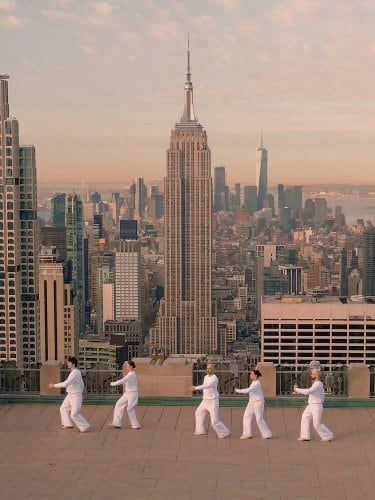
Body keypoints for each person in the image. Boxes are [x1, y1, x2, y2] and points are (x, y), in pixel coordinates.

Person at [48, 356, 90, 433]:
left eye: (69, 363)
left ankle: (84, 426)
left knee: (74, 414)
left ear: (73, 364)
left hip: (76, 395)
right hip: (70, 394)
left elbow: (65, 384)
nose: (67, 364)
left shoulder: (76, 373)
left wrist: (54, 385)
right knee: (63, 408)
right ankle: (67, 424)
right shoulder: (73, 372)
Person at [189, 363, 230, 439]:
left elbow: (206, 385)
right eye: (207, 368)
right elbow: (205, 387)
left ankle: (224, 432)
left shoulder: (214, 379)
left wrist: (196, 388)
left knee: (214, 421)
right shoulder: (205, 377)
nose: (208, 370)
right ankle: (200, 430)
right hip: (205, 400)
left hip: (213, 401)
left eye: (210, 368)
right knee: (198, 413)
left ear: (213, 369)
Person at [294, 368, 334, 442]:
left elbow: (309, 391)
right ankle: (305, 436)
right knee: (305, 417)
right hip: (311, 405)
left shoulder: (318, 384)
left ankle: (328, 435)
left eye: (312, 374)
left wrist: (297, 389)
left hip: (317, 406)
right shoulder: (315, 383)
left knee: (316, 424)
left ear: (316, 375)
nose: (311, 375)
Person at [235, 369, 272, 440]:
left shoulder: (257, 383)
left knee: (259, 419)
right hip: (251, 402)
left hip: (258, 402)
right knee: (246, 416)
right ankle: (247, 434)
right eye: (250, 374)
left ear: (256, 375)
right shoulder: (253, 382)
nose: (250, 375)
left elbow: (248, 390)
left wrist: (237, 390)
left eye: (252, 374)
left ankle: (267, 434)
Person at [109, 360, 141, 429]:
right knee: (119, 404)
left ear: (131, 366)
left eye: (127, 366)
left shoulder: (131, 375)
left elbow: (123, 380)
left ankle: (136, 425)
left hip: (132, 394)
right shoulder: (130, 374)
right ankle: (117, 423)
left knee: (130, 409)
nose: (126, 367)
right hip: (128, 393)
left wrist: (113, 383)